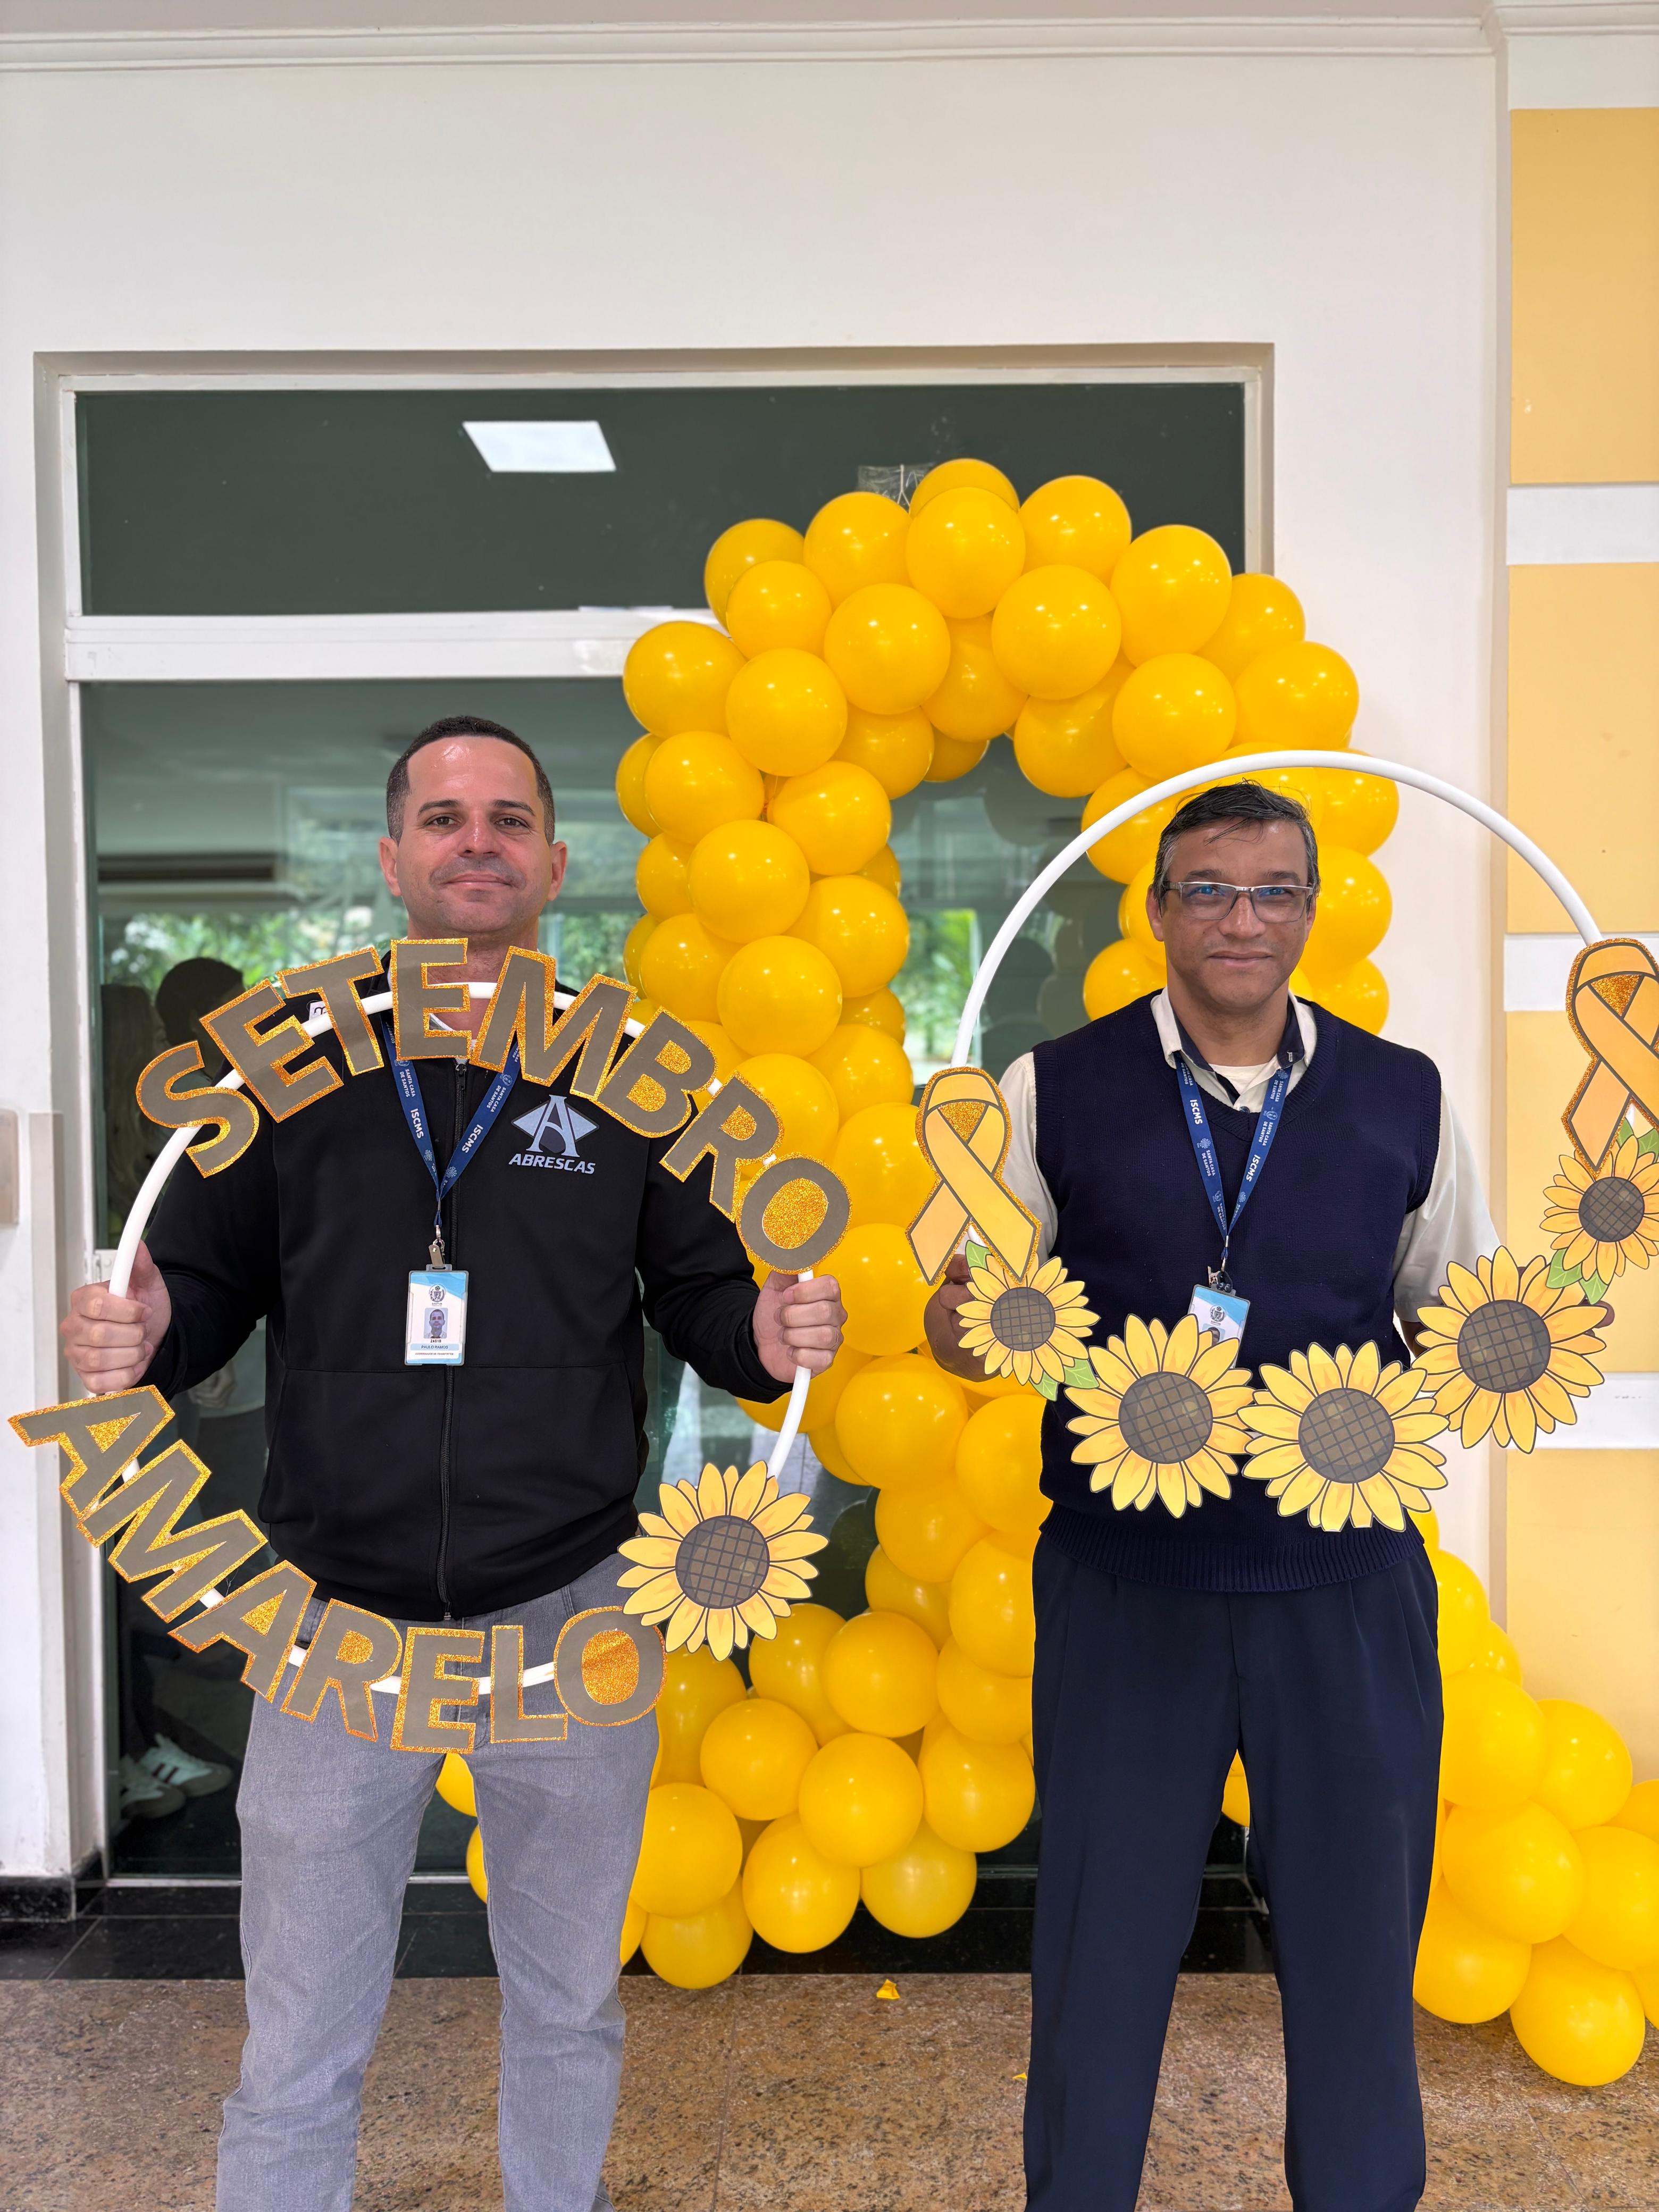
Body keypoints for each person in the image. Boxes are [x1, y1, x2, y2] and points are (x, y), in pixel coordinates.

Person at [62, 713, 844, 2212]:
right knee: (298, 2031)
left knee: (568, 2001)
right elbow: (204, 1284)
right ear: (391, 857)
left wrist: (761, 1329)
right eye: (442, 818)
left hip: (570, 1607)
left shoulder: (626, 1075)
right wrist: (153, 1327)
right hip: (327, 1618)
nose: (475, 842)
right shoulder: (293, 1070)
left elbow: (697, 1291)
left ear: (555, 860)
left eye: (506, 819)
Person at [926, 782, 1494, 2212]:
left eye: (1273, 890)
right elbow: (963, 1330)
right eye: (1209, 889)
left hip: (1346, 1590)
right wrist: (967, 1300)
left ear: (1311, 909)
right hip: (1129, 1589)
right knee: (1100, 1953)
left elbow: (1449, 1314)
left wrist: (1510, 1340)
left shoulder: (1406, 1093)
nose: (1243, 919)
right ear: (1158, 909)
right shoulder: (1050, 1088)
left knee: (1360, 1956)